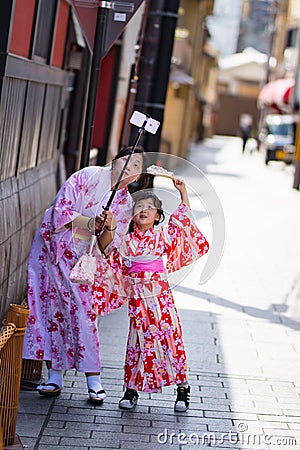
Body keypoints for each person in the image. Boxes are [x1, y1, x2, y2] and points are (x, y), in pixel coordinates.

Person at [22, 146, 148, 404]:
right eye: (128, 160)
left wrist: (109, 226)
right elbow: (61, 211)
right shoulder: (87, 176)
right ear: (114, 160)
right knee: (52, 310)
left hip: (83, 259)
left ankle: (94, 380)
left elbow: (107, 246)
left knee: (84, 314)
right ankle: (54, 376)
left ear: (137, 177)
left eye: (137, 167)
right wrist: (90, 222)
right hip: (55, 247)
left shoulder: (124, 204)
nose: (130, 168)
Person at [93, 179, 209, 412]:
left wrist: (183, 191)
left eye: (149, 207)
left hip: (161, 300)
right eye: (139, 206)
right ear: (133, 215)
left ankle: (182, 389)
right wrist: (109, 225)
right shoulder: (126, 241)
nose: (143, 209)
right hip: (138, 302)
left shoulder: (162, 236)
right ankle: (131, 389)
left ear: (157, 216)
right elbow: (106, 250)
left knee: (170, 340)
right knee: (137, 342)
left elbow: (183, 221)